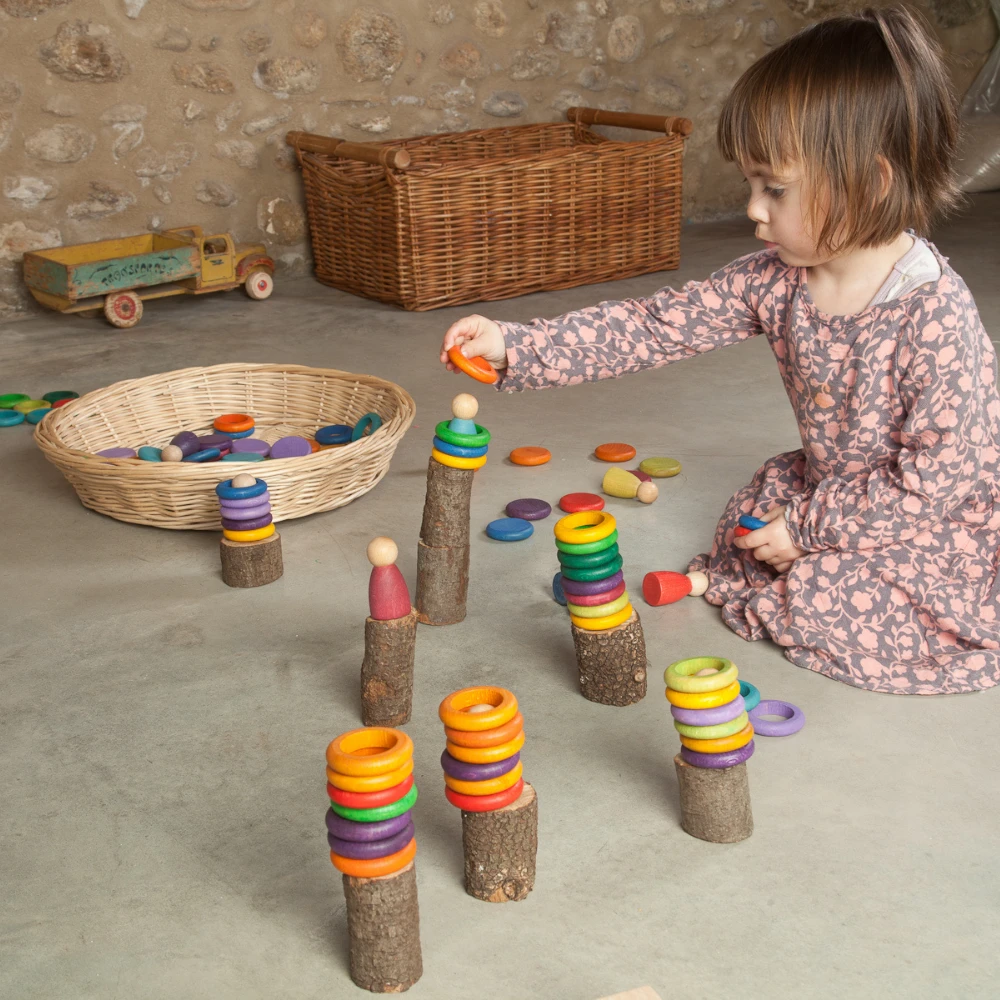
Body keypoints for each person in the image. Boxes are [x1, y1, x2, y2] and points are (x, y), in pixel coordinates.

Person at [438, 6, 1000, 695]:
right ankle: (779, 554)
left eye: (776, 188)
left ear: (872, 184)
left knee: (825, 591)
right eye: (751, 183)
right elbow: (652, 326)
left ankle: (817, 571)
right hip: (832, 489)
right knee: (753, 520)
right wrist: (518, 347)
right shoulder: (775, 278)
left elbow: (934, 481)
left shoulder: (933, 314)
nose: (753, 208)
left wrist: (810, 527)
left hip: (927, 519)